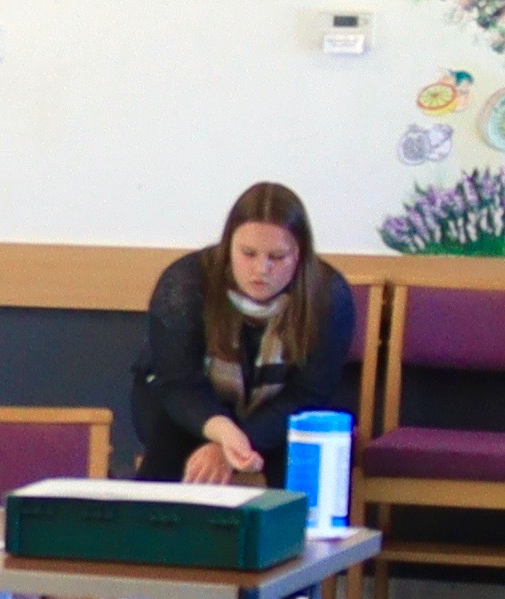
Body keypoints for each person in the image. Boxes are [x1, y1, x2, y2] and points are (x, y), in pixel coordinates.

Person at [124, 181, 366, 487]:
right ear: (228, 247)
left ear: (300, 255)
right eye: (248, 253)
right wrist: (224, 433)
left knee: (301, 463)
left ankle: (296, 533)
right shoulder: (184, 284)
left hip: (279, 410)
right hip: (182, 404)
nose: (261, 269)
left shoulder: (329, 296)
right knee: (171, 443)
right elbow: (179, 383)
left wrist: (235, 445)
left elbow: (308, 395)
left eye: (277, 257)